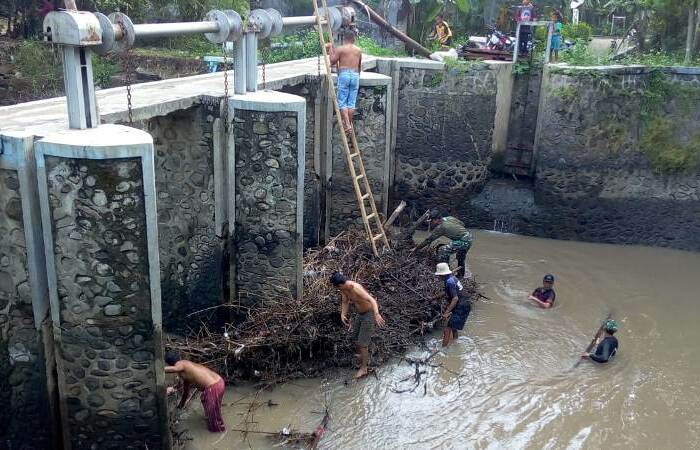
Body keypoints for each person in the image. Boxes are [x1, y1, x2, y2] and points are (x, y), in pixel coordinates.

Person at [330, 272, 386, 379]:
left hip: (368, 314)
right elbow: (345, 302)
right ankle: (361, 355)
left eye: (336, 287)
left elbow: (372, 300)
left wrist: (376, 314)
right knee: (355, 337)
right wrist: (343, 314)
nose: (337, 289)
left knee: (363, 343)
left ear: (340, 285)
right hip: (360, 314)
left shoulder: (355, 288)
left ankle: (364, 368)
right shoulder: (343, 289)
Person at [165, 351, 226, 432]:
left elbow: (175, 368)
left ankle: (219, 432)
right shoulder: (186, 369)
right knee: (210, 408)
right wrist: (180, 406)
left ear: (169, 364)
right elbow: (186, 391)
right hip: (218, 382)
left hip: (213, 387)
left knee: (214, 416)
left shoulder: (180, 364)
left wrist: (159, 370)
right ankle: (213, 422)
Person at [413, 209, 474, 278]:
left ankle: (444, 272)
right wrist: (457, 231)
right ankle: (460, 275)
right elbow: (462, 224)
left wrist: (417, 248)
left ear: (436, 219)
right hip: (469, 237)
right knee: (460, 257)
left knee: (442, 250)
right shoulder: (449, 218)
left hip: (463, 241)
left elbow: (429, 240)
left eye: (432, 220)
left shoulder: (441, 227)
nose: (432, 222)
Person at [326, 29, 362, 135]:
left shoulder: (341, 49)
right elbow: (359, 66)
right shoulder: (358, 50)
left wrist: (330, 49)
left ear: (344, 38)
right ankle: (349, 125)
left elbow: (332, 61)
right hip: (355, 75)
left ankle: (347, 125)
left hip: (344, 74)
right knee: (351, 103)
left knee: (342, 102)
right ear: (353, 38)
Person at [435, 263, 471, 347]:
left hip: (461, 306)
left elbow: (455, 298)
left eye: (439, 275)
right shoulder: (451, 278)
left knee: (447, 329)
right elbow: (446, 292)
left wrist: (446, 312)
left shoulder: (449, 282)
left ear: (442, 274)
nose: (438, 277)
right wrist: (434, 297)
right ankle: (455, 342)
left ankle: (443, 350)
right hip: (463, 304)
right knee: (453, 327)